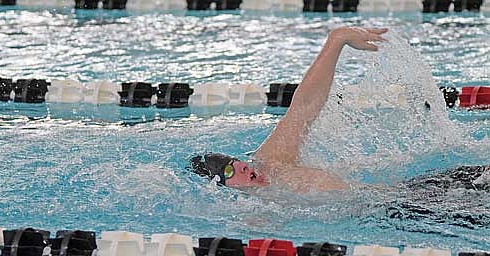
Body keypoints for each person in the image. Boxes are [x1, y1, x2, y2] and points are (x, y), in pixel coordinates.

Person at [190, 27, 489, 193]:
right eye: (229, 171)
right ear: (221, 189)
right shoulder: (260, 213)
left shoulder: (272, 161)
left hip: (414, 192)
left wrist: (338, 40)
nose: (241, 166)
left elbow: (304, 107)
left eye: (235, 162)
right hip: (404, 212)